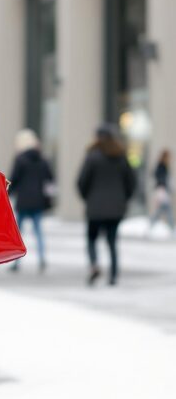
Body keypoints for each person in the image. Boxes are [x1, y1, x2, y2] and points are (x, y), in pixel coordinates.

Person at [76, 122, 136, 286]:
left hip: (95, 207)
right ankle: (114, 275)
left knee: (91, 239)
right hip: (116, 208)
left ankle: (94, 265)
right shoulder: (121, 155)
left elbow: (82, 181)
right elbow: (131, 181)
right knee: (112, 241)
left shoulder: (92, 156)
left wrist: (87, 197)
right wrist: (124, 198)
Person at [8, 128, 54, 272]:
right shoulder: (43, 159)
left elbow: (14, 179)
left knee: (19, 232)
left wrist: (7, 194)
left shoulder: (20, 159)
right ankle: (42, 258)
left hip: (23, 199)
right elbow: (50, 179)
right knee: (38, 231)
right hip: (38, 199)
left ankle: (16, 261)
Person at [149, 149, 175, 233]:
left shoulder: (164, 165)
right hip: (161, 190)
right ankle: (172, 227)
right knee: (167, 209)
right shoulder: (161, 165)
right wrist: (163, 184)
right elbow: (158, 176)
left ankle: (151, 224)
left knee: (161, 210)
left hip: (163, 190)